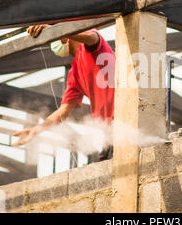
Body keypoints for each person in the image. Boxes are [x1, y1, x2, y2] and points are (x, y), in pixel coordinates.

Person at [12, 24, 115, 160]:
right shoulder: (74, 73)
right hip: (108, 131)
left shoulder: (92, 45)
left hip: (124, 119)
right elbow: (62, 112)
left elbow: (92, 37)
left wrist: (60, 32)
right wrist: (34, 130)